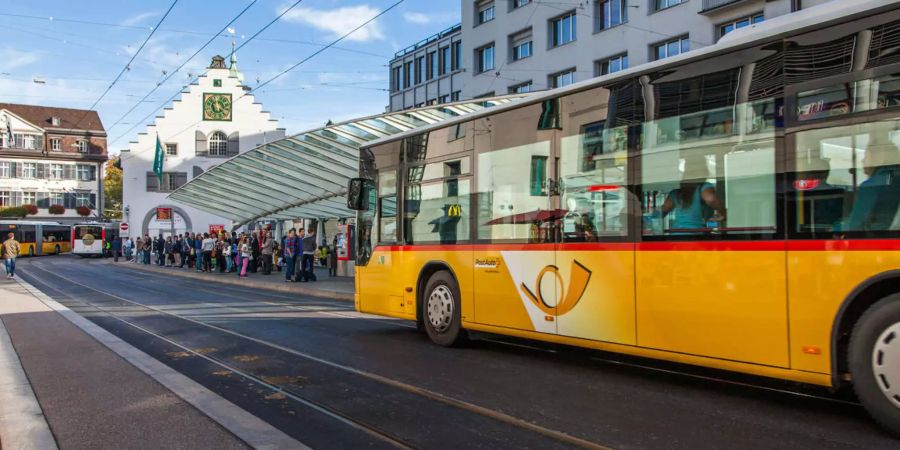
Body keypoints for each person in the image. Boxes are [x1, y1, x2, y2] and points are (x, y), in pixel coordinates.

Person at [845, 139, 900, 231]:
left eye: (866, 156)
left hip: (878, 239)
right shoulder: (896, 180)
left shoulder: (871, 186)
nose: (862, 160)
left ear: (878, 158)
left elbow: (854, 226)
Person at [660, 156, 725, 233]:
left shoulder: (676, 193)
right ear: (704, 170)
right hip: (696, 237)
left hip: (676, 236)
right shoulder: (704, 187)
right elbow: (710, 198)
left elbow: (661, 212)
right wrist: (723, 212)